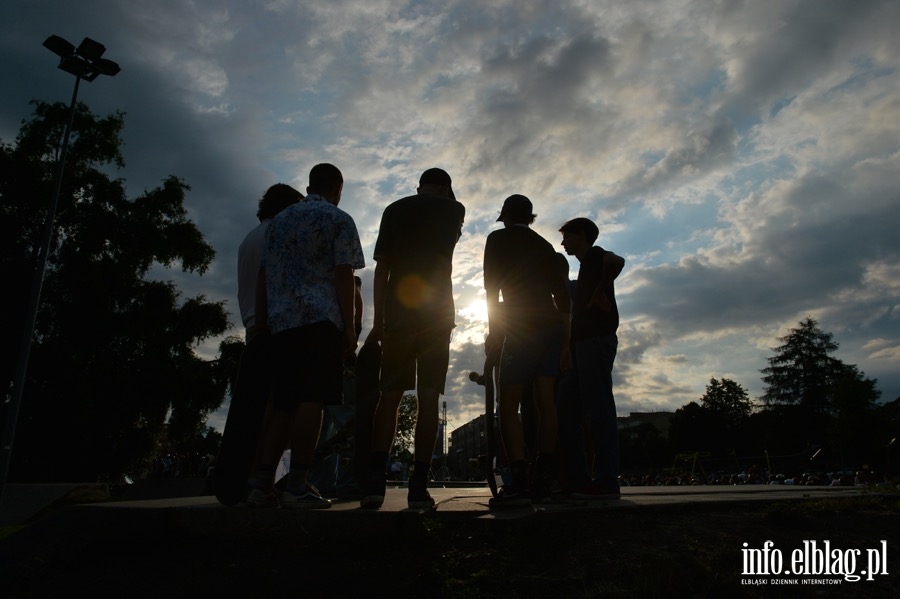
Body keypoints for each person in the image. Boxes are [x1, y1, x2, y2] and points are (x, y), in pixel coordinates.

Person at [248, 163, 365, 508]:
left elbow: (263, 275)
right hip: (320, 320)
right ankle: (297, 483)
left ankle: (262, 483)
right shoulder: (338, 219)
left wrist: (262, 324)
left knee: (283, 403)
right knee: (311, 400)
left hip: (282, 323)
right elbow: (344, 276)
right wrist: (350, 327)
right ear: (337, 188)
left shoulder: (280, 221)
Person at [361, 167, 465, 509]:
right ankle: (419, 486)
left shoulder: (394, 210)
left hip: (399, 312)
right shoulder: (455, 209)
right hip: (437, 314)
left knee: (388, 396)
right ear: (447, 189)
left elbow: (382, 267)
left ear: (418, 187)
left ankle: (374, 484)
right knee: (429, 398)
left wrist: (378, 321)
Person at [216, 184, 302, 503]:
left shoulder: (248, 239)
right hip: (273, 325)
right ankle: (261, 479)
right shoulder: (277, 236)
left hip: (253, 324)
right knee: (277, 406)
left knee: (252, 405)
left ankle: (250, 476)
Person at [483, 195, 571, 508]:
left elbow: (491, 290)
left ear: (505, 215)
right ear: (530, 217)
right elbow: (563, 300)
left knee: (508, 405)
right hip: (550, 327)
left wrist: (494, 334)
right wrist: (565, 344)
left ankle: (519, 481)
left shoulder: (497, 240)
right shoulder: (544, 245)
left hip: (521, 327)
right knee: (546, 401)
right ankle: (543, 478)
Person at [557, 217, 625, 499]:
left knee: (598, 410)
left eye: (567, 237)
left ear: (582, 235)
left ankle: (607, 480)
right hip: (580, 346)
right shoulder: (584, 269)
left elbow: (618, 260)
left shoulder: (596, 256)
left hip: (595, 341)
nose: (563, 243)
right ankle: (579, 479)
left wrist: (599, 291)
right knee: (566, 409)